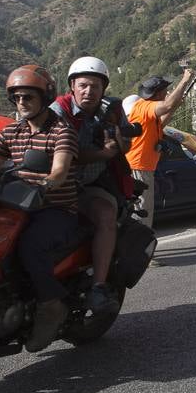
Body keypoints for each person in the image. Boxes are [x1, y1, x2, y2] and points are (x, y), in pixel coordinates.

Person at [0, 66, 79, 352]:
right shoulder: (12, 130)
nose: (21, 102)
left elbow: (59, 170)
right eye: (17, 97)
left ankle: (51, 304)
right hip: (18, 206)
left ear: (44, 98)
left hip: (55, 208)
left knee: (30, 246)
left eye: (28, 97)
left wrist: (46, 185)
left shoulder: (62, 131)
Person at [50, 56, 134, 315]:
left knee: (106, 214)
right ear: (72, 86)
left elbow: (126, 143)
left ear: (103, 88)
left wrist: (118, 142)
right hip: (54, 185)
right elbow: (60, 154)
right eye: (83, 85)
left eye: (95, 86)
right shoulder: (57, 112)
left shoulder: (112, 109)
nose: (89, 91)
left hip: (87, 185)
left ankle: (98, 286)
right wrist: (102, 154)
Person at [125, 67, 195, 230]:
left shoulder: (146, 109)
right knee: (143, 210)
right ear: (157, 94)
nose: (167, 93)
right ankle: (140, 242)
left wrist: (175, 105)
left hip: (141, 167)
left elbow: (162, 121)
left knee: (142, 209)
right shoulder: (146, 107)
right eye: (165, 91)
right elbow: (167, 105)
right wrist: (185, 80)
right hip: (139, 167)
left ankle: (140, 239)